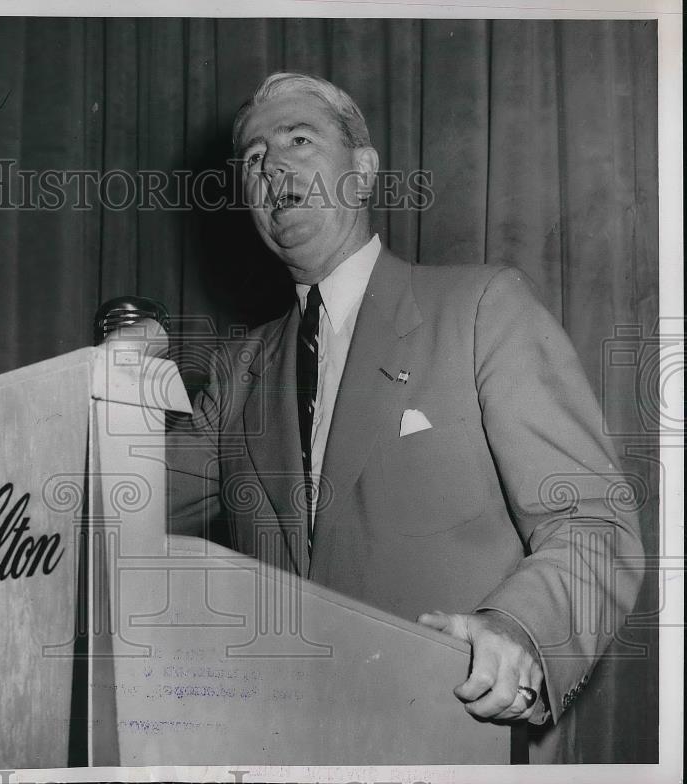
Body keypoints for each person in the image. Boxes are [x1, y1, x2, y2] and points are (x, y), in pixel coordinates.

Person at [166, 72, 643, 759]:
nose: (273, 164)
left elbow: (592, 521)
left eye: (300, 138)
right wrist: (102, 392)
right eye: (253, 158)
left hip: (448, 742)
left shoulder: (480, 309)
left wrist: (517, 630)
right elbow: (117, 501)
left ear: (362, 172)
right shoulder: (236, 373)